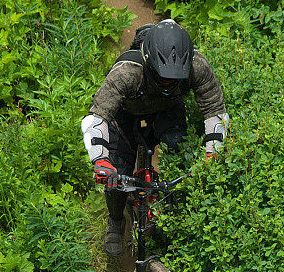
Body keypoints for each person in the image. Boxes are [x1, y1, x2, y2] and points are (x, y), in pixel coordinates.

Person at [81, 19, 230, 256]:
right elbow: (96, 118)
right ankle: (116, 220)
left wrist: (213, 152)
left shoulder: (196, 65)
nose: (169, 82)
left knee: (178, 150)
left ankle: (172, 212)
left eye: (175, 77)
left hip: (167, 109)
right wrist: (101, 160)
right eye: (163, 77)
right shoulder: (127, 72)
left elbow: (215, 110)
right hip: (126, 112)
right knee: (116, 172)